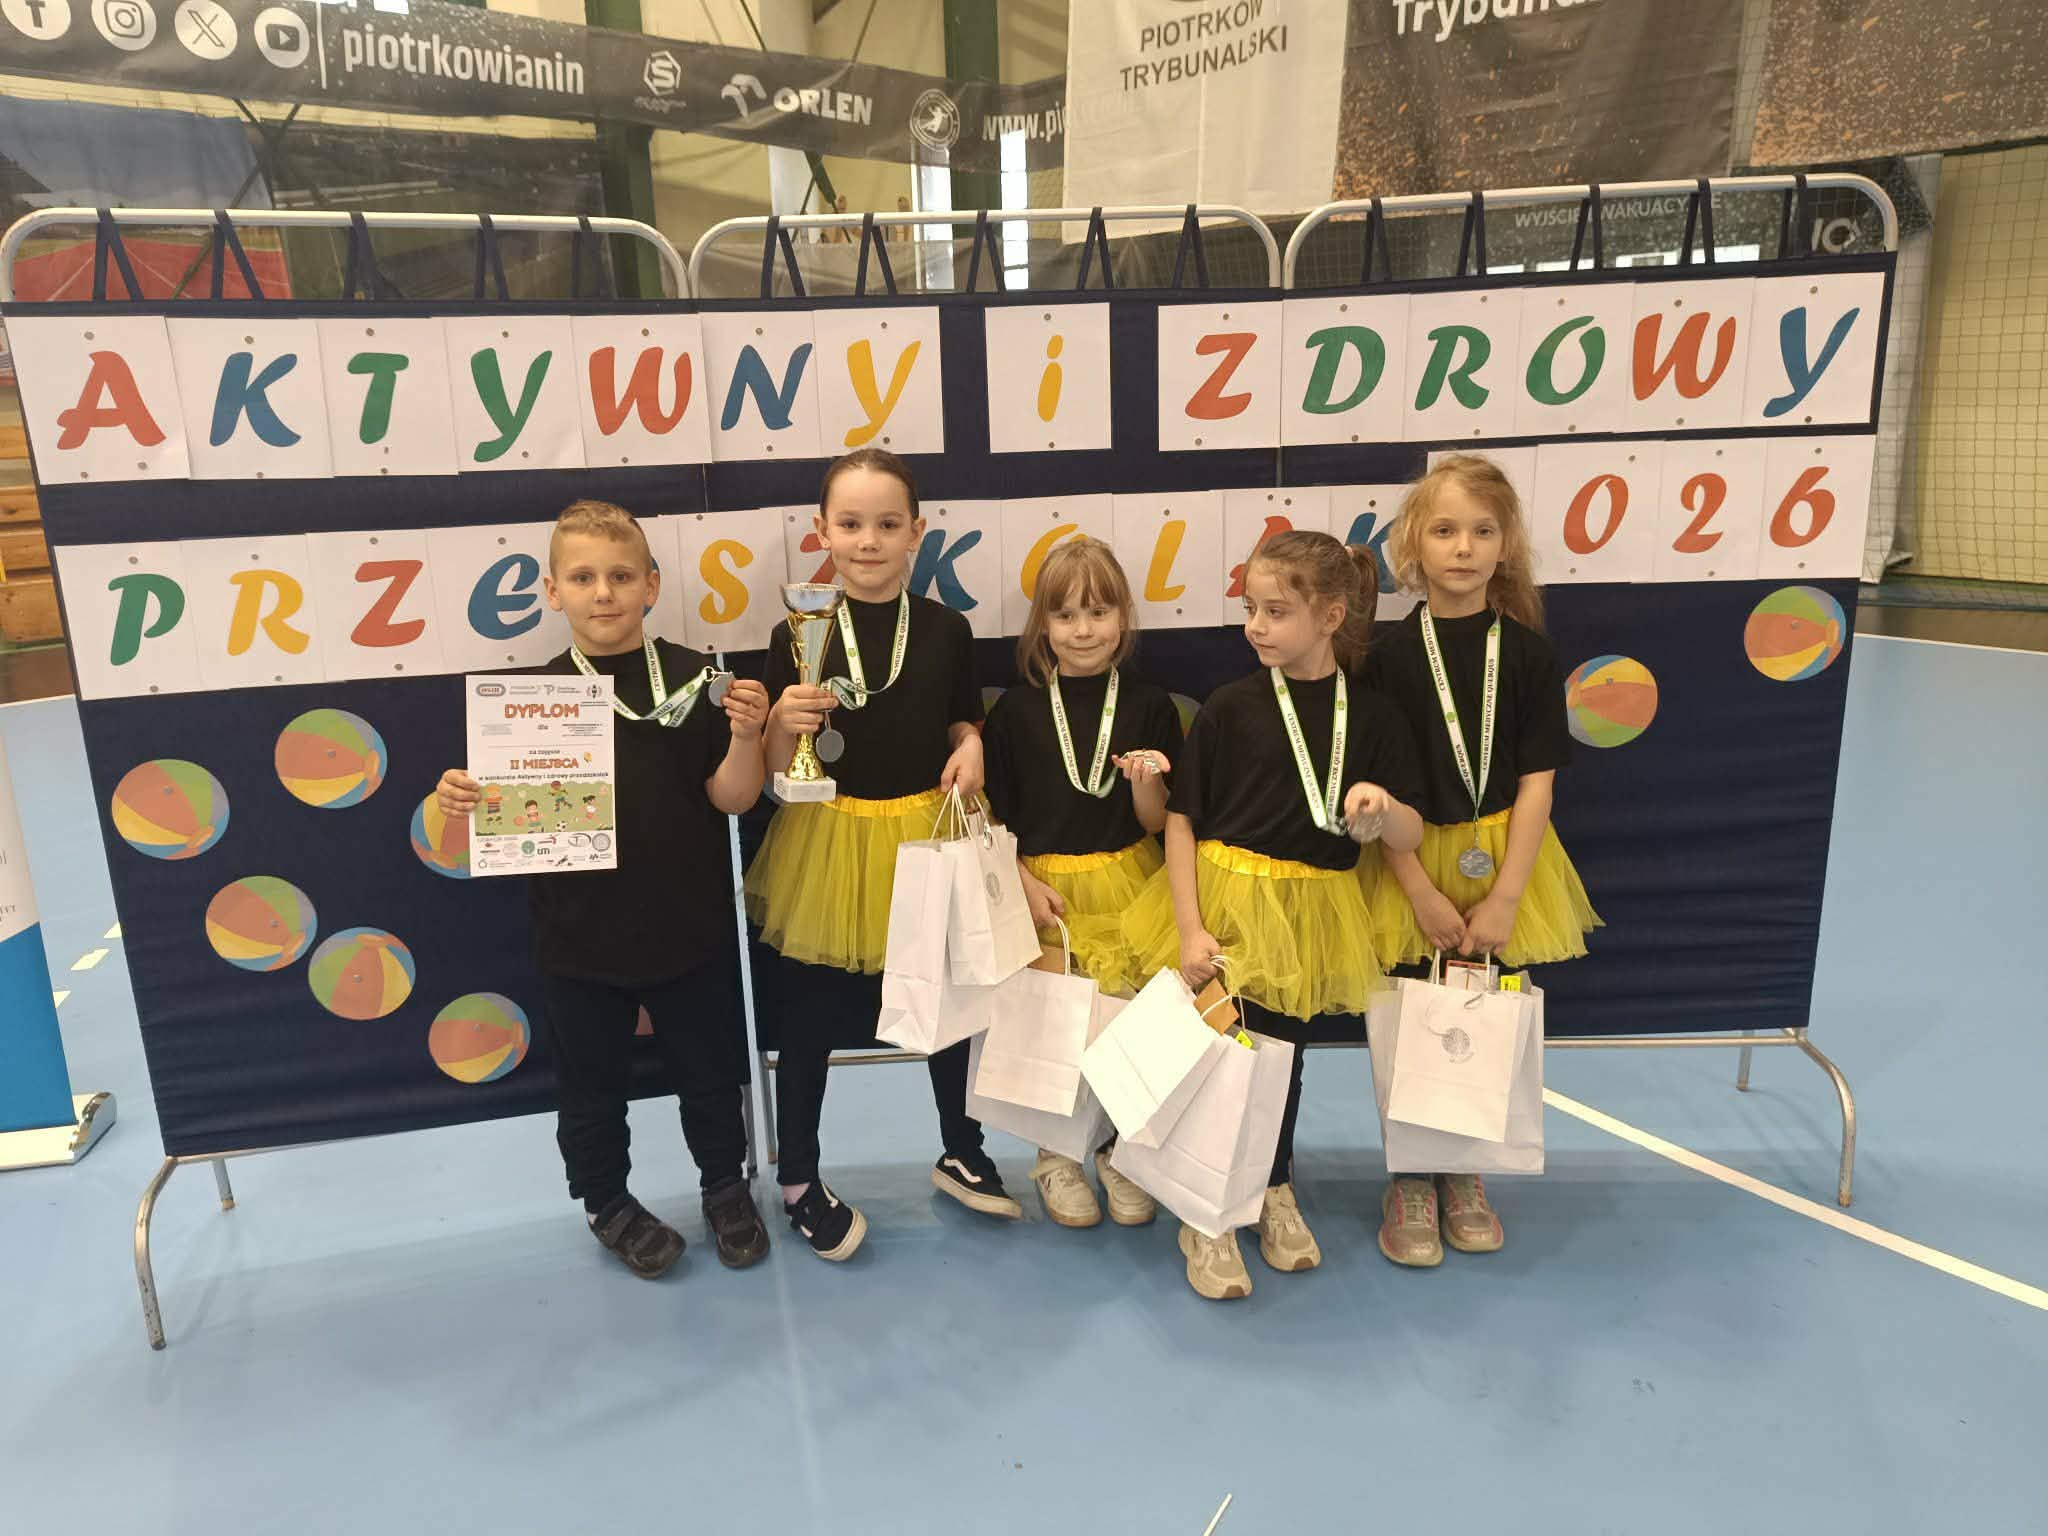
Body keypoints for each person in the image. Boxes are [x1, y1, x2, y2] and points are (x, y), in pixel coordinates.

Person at [435, 500, 773, 1280]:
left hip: (689, 926)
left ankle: (725, 1186)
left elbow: (733, 798)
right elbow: (492, 813)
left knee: (710, 1074)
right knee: (590, 1087)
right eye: (583, 578)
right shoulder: (529, 707)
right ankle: (605, 1202)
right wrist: (456, 796)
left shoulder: (697, 680)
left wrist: (745, 736)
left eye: (621, 576)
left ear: (651, 585)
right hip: (578, 936)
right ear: (553, 592)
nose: (604, 593)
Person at [1123, 531, 1425, 1300]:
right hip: (1227, 905)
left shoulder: (1375, 717)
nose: (1256, 626)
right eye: (1250, 609)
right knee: (1220, 1059)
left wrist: (1382, 810)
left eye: (1276, 611)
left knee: (1282, 1059)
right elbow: (1181, 823)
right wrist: (1190, 927)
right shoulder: (1230, 708)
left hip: (1314, 916)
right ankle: (1206, 1211)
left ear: (1330, 617)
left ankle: (1272, 1184)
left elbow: (1410, 834)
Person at [746, 446, 1014, 1261]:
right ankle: (799, 1177)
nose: (868, 541)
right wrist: (780, 722)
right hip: (826, 844)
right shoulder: (795, 631)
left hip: (925, 837)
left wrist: (973, 745)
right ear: (822, 530)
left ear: (916, 533)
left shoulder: (946, 629)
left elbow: (960, 719)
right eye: (852, 523)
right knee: (811, 1016)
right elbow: (772, 770)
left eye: (887, 524)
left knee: (946, 1004)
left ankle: (960, 1146)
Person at [1364, 453, 1600, 1268]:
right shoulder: (1387, 659)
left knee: (1477, 1018)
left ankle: (1462, 1172)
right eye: (1444, 530)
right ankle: (1409, 1178)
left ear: (1507, 545)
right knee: (1411, 1019)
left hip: (1505, 859)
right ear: (1412, 546)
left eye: (1482, 531)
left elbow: (1538, 784)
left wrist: (1505, 897)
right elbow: (1377, 793)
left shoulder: (1528, 656)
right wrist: (1418, 889)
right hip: (1409, 861)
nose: (1463, 547)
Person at [981, 537, 1181, 1229]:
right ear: (1043, 624)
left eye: (1099, 612)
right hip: (1044, 889)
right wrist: (1020, 880)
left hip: (1132, 884)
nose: (1084, 630)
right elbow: (993, 817)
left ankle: (1119, 1150)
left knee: (1128, 1027)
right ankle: (1055, 1155)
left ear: (1124, 616)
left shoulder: (1151, 705)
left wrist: (1147, 783)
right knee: (1053, 1028)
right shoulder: (1016, 711)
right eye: (1065, 615)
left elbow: (1157, 822)